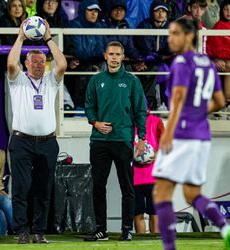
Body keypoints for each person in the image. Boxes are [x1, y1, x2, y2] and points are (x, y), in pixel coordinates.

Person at [152, 18, 230, 250]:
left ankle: (169, 248)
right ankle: (225, 228)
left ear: (189, 36)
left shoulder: (181, 63)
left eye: (175, 33)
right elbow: (220, 100)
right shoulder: (207, 63)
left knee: (161, 193)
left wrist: (168, 133)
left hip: (181, 135)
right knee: (192, 195)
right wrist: (197, 113)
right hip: (202, 137)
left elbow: (177, 98)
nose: (170, 38)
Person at [7, 20, 67, 243]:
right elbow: (11, 63)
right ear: (27, 63)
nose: (40, 65)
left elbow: (62, 65)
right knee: (21, 188)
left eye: (43, 62)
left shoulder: (52, 81)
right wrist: (21, 38)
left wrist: (49, 38)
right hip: (22, 141)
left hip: (47, 142)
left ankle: (39, 231)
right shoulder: (18, 80)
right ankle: (22, 230)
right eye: (35, 61)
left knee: (44, 189)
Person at [84, 41, 147, 242]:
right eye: (110, 53)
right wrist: (95, 123)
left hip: (123, 140)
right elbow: (89, 107)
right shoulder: (96, 81)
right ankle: (101, 229)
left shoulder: (132, 81)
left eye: (117, 54)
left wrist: (142, 138)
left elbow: (140, 111)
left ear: (122, 57)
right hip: (99, 141)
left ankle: (126, 229)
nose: (113, 57)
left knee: (127, 187)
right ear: (105, 56)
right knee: (98, 187)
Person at [66, 0, 108, 109]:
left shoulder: (101, 26)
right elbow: (80, 52)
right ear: (83, 10)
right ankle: (81, 107)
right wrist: (97, 54)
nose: (94, 13)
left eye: (96, 11)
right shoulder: (74, 25)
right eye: (90, 10)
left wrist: (95, 55)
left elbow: (105, 51)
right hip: (80, 66)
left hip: (97, 64)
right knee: (88, 70)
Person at [134, 0, 173, 109]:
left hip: (163, 61)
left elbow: (171, 48)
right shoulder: (144, 26)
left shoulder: (171, 27)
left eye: (163, 11)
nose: (161, 14)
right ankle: (148, 105)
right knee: (153, 71)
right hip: (147, 61)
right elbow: (146, 49)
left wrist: (165, 56)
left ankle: (168, 105)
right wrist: (161, 56)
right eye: (157, 11)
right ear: (152, 12)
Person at [133, 108, 164, 233]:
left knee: (154, 213)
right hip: (134, 177)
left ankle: (155, 243)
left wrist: (158, 155)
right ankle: (141, 244)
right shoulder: (128, 122)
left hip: (153, 177)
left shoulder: (156, 121)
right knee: (137, 213)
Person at [207, 0, 230, 105]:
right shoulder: (218, 26)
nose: (228, 12)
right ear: (221, 11)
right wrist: (216, 60)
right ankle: (225, 101)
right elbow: (212, 47)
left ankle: (226, 100)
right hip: (219, 60)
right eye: (226, 9)